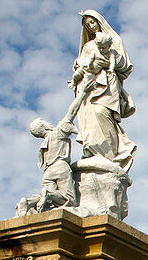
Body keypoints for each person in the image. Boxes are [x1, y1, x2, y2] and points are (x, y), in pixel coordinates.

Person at [15, 76, 96, 216]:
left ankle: (28, 202)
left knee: (48, 202)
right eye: (45, 122)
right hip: (60, 167)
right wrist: (82, 92)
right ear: (44, 127)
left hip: (47, 172)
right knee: (69, 200)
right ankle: (49, 195)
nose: (48, 122)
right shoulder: (58, 132)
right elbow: (71, 112)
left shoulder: (43, 145)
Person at [70, 10, 136, 170]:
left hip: (107, 83)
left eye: (92, 22)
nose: (91, 27)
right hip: (88, 86)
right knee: (88, 117)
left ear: (99, 21)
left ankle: (111, 155)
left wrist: (106, 61)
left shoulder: (114, 40)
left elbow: (125, 66)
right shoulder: (87, 45)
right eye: (87, 25)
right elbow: (80, 64)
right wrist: (84, 67)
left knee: (102, 113)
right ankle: (91, 151)